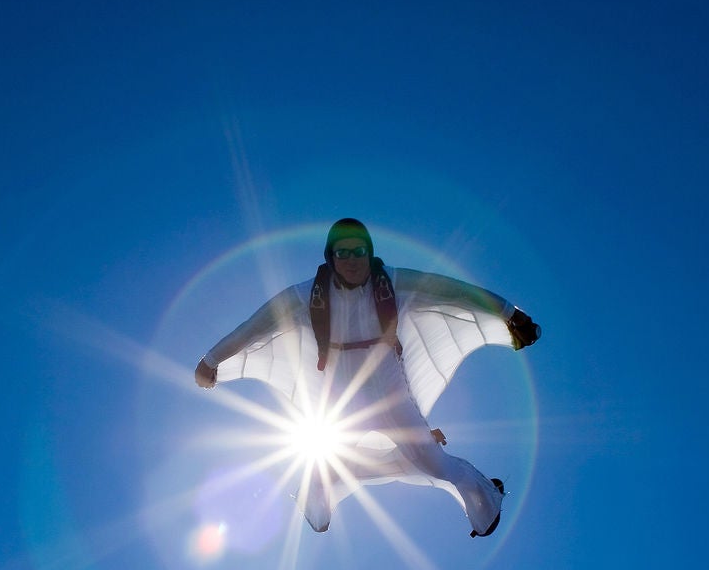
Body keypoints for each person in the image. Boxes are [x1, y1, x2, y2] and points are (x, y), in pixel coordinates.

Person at [194, 218, 541, 537]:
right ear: (331, 259)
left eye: (359, 251)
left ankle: (486, 502)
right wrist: (211, 360)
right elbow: (255, 327)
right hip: (342, 402)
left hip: (391, 394)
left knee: (432, 463)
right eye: (342, 253)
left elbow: (453, 291)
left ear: (369, 253)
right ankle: (318, 509)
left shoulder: (393, 282)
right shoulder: (304, 297)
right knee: (322, 468)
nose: (351, 260)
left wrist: (509, 312)